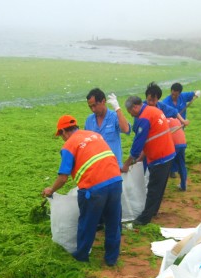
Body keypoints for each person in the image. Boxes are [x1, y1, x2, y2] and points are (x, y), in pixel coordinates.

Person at [43, 115, 123, 266]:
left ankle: (81, 257)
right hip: (116, 181)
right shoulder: (94, 134)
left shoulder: (68, 145)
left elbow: (63, 178)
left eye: (61, 135)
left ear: (63, 132)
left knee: (87, 223)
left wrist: (50, 190)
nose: (62, 138)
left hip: (94, 188)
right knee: (113, 222)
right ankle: (111, 259)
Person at [123, 96, 176, 225]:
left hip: (160, 157)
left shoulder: (144, 118)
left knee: (153, 189)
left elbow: (137, 145)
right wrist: (141, 157)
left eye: (130, 111)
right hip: (168, 153)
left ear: (135, 107)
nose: (130, 114)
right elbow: (151, 137)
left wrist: (127, 164)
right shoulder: (153, 110)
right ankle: (153, 211)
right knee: (159, 187)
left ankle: (144, 219)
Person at [84, 88, 131, 168]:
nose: (93, 109)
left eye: (95, 105)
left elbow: (126, 129)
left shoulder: (114, 116)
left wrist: (117, 109)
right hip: (97, 167)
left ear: (103, 101)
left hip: (114, 166)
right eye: (90, 107)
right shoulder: (89, 120)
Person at [168, 117, 189, 191]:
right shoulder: (176, 119)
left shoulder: (162, 120)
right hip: (182, 143)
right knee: (182, 164)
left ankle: (160, 187)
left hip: (173, 144)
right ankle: (183, 185)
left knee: (165, 165)